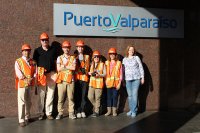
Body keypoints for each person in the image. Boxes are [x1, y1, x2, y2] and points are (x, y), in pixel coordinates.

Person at [33, 32, 58, 120]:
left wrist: (56, 72)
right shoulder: (37, 51)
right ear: (40, 41)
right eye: (43, 40)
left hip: (51, 74)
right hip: (41, 75)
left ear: (48, 40)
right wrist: (36, 75)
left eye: (46, 40)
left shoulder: (53, 50)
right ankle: (40, 113)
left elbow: (56, 62)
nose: (44, 41)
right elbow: (35, 64)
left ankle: (48, 113)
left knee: (50, 95)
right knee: (41, 94)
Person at [15, 44, 37, 127]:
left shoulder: (33, 61)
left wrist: (33, 78)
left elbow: (35, 71)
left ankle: (27, 116)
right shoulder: (18, 61)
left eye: (28, 50)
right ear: (22, 52)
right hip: (22, 84)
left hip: (30, 84)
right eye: (24, 50)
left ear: (30, 51)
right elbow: (18, 72)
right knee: (21, 102)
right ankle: (21, 119)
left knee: (29, 102)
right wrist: (24, 78)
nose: (26, 52)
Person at [55, 41, 76, 120]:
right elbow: (58, 68)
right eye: (65, 47)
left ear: (69, 48)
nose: (66, 49)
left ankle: (71, 113)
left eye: (68, 47)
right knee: (61, 98)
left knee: (71, 98)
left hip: (71, 80)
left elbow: (73, 68)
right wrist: (68, 66)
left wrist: (63, 65)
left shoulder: (73, 58)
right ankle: (60, 113)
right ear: (62, 48)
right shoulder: (59, 57)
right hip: (61, 80)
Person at [122, 45, 144, 117]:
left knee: (134, 95)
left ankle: (134, 110)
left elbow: (140, 67)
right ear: (127, 51)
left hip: (136, 79)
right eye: (130, 50)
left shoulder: (136, 58)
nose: (131, 51)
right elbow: (123, 70)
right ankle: (131, 109)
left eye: (133, 50)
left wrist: (142, 77)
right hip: (128, 79)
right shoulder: (124, 59)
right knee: (130, 96)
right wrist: (123, 80)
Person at [74, 40, 90, 118]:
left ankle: (83, 110)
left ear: (83, 48)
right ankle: (78, 110)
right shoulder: (74, 56)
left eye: (81, 47)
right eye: (79, 47)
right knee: (77, 95)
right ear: (77, 48)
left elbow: (87, 67)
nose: (80, 48)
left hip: (84, 78)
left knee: (84, 95)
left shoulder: (86, 56)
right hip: (77, 78)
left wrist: (84, 68)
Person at [105, 48, 122, 116]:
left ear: (115, 55)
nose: (112, 55)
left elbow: (121, 74)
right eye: (110, 54)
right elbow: (105, 73)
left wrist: (120, 83)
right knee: (109, 97)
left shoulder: (118, 63)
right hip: (108, 83)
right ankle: (109, 111)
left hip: (116, 84)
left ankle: (114, 111)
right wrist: (105, 81)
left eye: (113, 54)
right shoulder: (106, 62)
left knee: (115, 97)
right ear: (109, 55)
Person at [88, 50, 106, 117]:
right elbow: (89, 72)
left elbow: (105, 74)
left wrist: (99, 75)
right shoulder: (91, 64)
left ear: (99, 58)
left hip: (99, 84)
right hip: (92, 83)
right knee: (90, 96)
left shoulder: (102, 64)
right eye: (95, 57)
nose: (96, 58)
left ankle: (96, 112)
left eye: (97, 57)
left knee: (97, 98)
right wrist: (89, 73)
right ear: (93, 57)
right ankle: (97, 107)